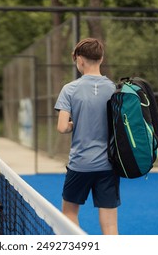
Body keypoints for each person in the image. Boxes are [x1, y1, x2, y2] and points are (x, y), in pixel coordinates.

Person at [54, 38, 120, 235]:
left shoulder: (70, 89)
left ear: (80, 60)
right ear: (101, 58)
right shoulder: (115, 89)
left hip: (79, 165)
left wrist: (76, 123)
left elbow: (62, 127)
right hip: (109, 165)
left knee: (69, 213)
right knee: (109, 224)